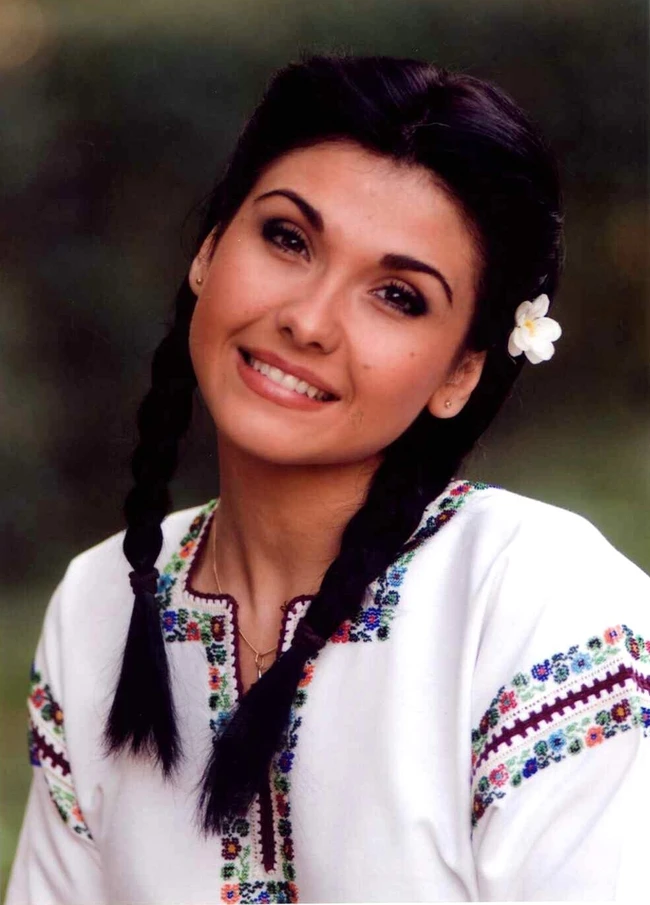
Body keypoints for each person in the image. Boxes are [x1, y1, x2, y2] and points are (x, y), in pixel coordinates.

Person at [6, 55, 650, 905]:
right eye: (287, 239)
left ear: (460, 371)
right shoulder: (98, 607)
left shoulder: (538, 606)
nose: (308, 321)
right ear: (209, 248)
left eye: (397, 295)